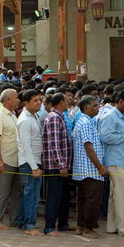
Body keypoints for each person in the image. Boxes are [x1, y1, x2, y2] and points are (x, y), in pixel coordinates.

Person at [72, 95, 109, 239]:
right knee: (93, 200)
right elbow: (89, 147)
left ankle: (81, 226)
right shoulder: (86, 123)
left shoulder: (86, 121)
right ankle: (88, 228)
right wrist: (100, 167)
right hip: (90, 170)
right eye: (94, 106)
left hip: (83, 170)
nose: (98, 108)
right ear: (86, 108)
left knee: (83, 199)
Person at [99, 89, 124, 237]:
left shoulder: (122, 117)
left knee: (115, 195)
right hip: (115, 160)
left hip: (122, 160)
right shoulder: (110, 116)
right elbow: (105, 136)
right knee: (123, 196)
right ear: (120, 101)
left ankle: (112, 226)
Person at [42, 93, 72, 237]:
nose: (69, 102)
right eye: (67, 101)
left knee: (63, 196)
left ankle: (62, 224)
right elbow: (54, 145)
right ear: (61, 103)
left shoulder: (60, 117)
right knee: (54, 196)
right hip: (55, 166)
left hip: (62, 165)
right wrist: (61, 165)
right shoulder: (54, 118)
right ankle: (49, 227)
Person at [0, 88, 20, 230]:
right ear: (8, 99)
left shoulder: (13, 115)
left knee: (16, 192)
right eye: (16, 97)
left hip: (16, 159)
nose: (18, 100)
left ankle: (14, 220)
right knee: (3, 192)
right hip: (6, 159)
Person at [17, 89, 44, 236]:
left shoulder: (35, 116)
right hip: (29, 162)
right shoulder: (25, 120)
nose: (39, 103)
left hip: (35, 160)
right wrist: (34, 167)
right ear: (26, 103)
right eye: (35, 100)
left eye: (39, 99)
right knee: (31, 194)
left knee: (31, 194)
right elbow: (25, 147)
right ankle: (29, 225)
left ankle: (24, 222)